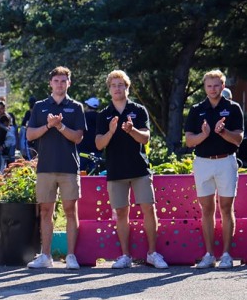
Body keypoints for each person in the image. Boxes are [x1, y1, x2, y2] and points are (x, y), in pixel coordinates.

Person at [95, 70, 168, 270]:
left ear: (127, 88)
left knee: (148, 209)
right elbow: (99, 144)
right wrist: (111, 131)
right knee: (120, 213)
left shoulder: (138, 110)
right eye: (114, 85)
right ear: (109, 89)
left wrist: (131, 130)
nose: (117, 88)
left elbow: (145, 138)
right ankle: (125, 255)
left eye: (121, 85)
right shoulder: (104, 114)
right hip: (116, 170)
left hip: (138, 168)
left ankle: (152, 253)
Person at [25, 66, 87, 270]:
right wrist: (48, 126)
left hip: (68, 167)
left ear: (69, 83)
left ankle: (71, 255)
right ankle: (46, 255)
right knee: (45, 211)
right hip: (46, 167)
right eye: (56, 81)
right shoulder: (40, 107)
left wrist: (60, 126)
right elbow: (30, 135)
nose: (60, 84)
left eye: (63, 81)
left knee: (70, 210)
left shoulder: (76, 107)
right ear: (50, 83)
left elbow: (78, 137)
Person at [184, 69, 244, 269]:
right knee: (207, 209)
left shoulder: (233, 108)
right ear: (204, 87)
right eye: (209, 85)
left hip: (226, 161)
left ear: (223, 86)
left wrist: (223, 132)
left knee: (226, 208)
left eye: (216, 85)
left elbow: (238, 139)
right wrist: (205, 134)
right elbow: (190, 141)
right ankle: (209, 254)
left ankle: (226, 254)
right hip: (203, 162)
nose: (212, 89)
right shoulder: (196, 109)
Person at [80, 97, 101, 173]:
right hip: (97, 151)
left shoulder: (83, 116)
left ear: (88, 106)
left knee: (80, 174)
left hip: (82, 150)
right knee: (95, 173)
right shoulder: (101, 117)